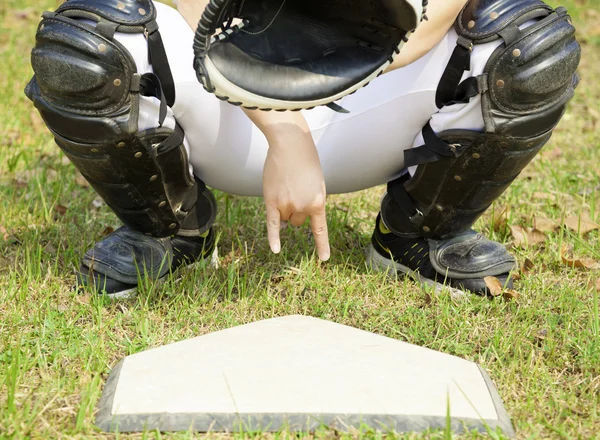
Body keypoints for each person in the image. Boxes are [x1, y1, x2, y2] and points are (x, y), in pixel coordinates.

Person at [25, 0, 580, 298]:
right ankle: (169, 231)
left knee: (525, 41)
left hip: (374, 103)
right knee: (93, 37)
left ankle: (418, 237)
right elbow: (198, 15)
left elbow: (435, 20)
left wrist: (324, 61)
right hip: (235, 116)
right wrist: (285, 130)